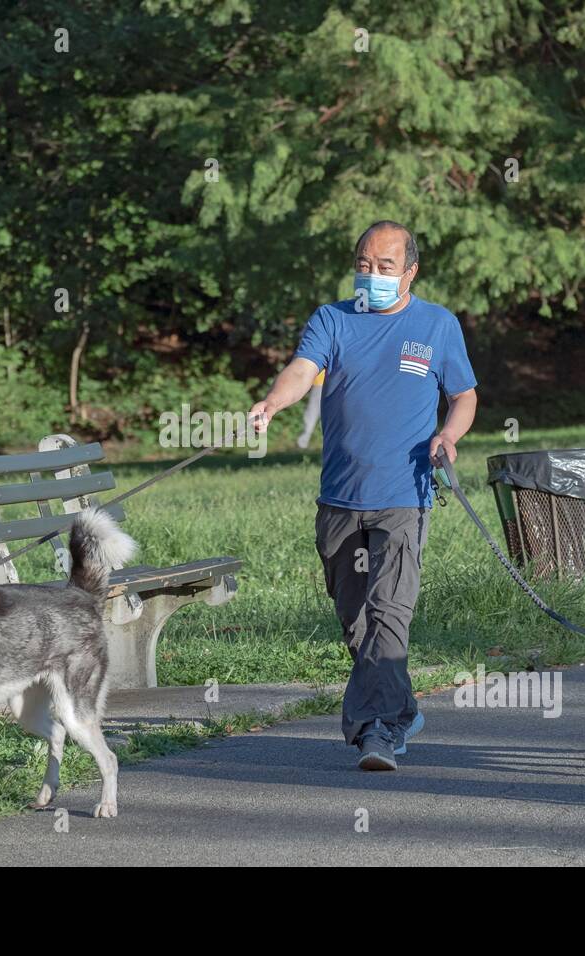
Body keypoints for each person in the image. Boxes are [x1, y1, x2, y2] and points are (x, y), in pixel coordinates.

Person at [250, 220, 478, 771]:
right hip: (340, 499)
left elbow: (465, 396)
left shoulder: (437, 326)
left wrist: (448, 435)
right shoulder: (334, 320)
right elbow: (303, 370)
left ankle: (375, 732)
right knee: (356, 621)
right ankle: (399, 706)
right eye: (364, 265)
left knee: (388, 612)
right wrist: (272, 404)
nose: (372, 275)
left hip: (404, 496)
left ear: (410, 272)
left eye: (385, 267)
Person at [296, 369, 325, 449]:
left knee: (312, 413)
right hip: (322, 382)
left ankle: (302, 442)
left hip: (321, 383)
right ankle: (303, 442)